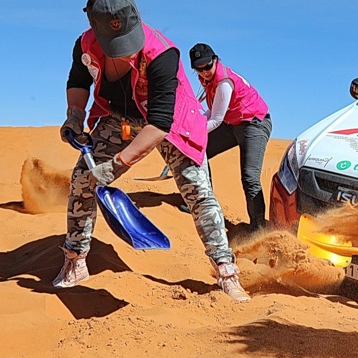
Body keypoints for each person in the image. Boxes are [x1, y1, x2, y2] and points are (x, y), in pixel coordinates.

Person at [53, 0, 250, 302]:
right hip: (117, 116)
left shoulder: (161, 54)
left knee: (197, 190)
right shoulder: (85, 45)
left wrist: (118, 164)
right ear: (95, 29)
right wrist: (75, 115)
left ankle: (225, 268)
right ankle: (75, 260)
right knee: (82, 178)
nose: (128, 48)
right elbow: (78, 80)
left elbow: (159, 124)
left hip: (172, 120)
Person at [189, 43, 272, 231]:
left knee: (250, 177)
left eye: (207, 66)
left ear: (215, 60)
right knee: (198, 152)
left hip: (254, 124)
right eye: (199, 69)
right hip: (233, 123)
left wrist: (193, 131)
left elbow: (216, 119)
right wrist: (192, 123)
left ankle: (258, 228)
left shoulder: (224, 82)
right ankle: (204, 204)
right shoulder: (209, 81)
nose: (204, 72)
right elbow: (213, 111)